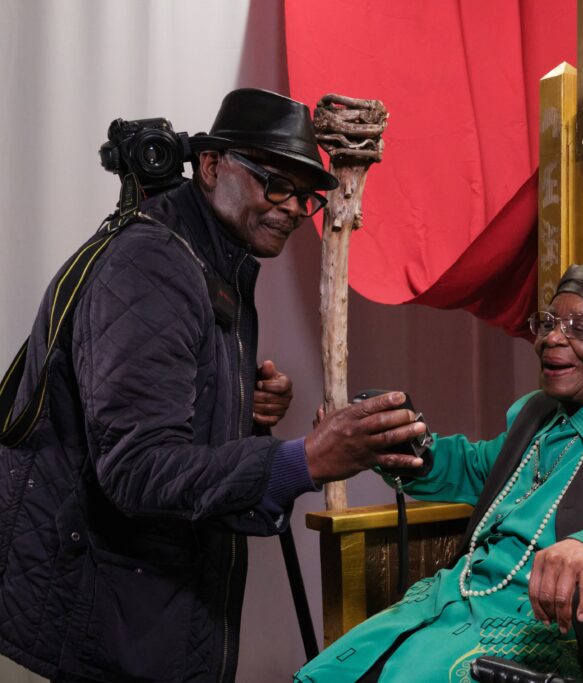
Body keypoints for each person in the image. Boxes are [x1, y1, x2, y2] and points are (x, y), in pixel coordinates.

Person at [0, 89, 427, 683]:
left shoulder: (210, 258)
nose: (291, 208)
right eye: (274, 183)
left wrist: (232, 402)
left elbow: (146, 416)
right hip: (96, 628)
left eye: (304, 196)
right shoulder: (152, 266)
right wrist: (305, 461)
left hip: (143, 615)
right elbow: (138, 469)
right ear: (210, 166)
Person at [296, 261, 583, 683]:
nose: (552, 339)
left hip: (540, 627)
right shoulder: (536, 415)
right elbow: (477, 467)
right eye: (548, 323)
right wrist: (392, 444)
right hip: (449, 600)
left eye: (579, 327)